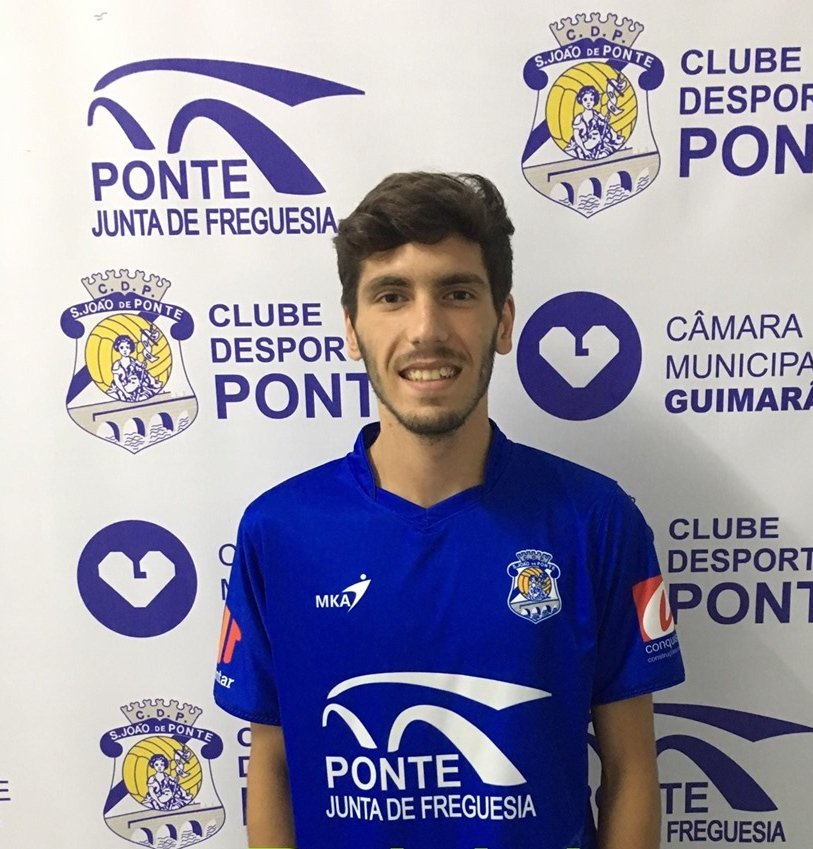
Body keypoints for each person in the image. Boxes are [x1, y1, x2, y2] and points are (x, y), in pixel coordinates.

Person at [214, 172, 685, 849]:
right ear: (351, 329)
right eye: (391, 296)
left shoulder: (595, 520)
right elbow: (272, 764)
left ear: (503, 321)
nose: (426, 329)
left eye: (458, 292)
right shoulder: (278, 532)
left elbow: (631, 766)